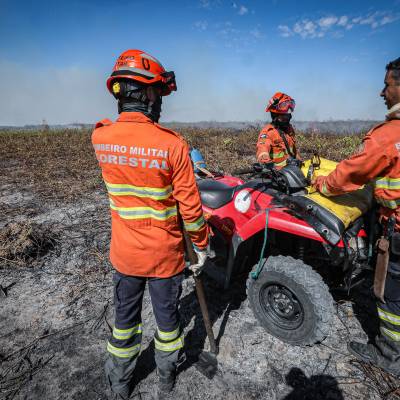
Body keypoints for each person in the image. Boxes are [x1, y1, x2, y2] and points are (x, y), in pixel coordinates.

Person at [92, 49, 209, 399]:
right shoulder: (172, 145)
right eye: (157, 92)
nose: (159, 101)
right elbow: (190, 206)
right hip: (165, 258)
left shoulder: (100, 138)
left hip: (125, 257)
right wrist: (201, 246)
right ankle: (166, 378)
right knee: (169, 324)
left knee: (124, 326)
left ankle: (120, 384)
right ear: (144, 93)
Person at [312, 57, 400, 376]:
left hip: (398, 230)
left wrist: (322, 183)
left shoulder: (389, 135)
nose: (382, 93)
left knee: (389, 294)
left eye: (387, 85)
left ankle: (390, 356)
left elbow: (349, 174)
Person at [256, 92, 299, 169]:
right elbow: (262, 149)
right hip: (278, 176)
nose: (288, 118)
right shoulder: (268, 132)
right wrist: (266, 162)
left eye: (288, 115)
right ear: (275, 115)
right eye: (284, 116)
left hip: (293, 172)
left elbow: (294, 152)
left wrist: (301, 163)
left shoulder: (289, 129)